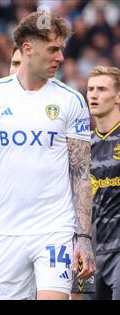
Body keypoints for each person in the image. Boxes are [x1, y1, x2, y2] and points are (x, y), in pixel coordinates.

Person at [0, 12, 96, 300]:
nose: (61, 58)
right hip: (8, 233)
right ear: (28, 49)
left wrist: (84, 237)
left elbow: (80, 174)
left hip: (55, 230)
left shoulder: (70, 100)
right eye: (53, 49)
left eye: (62, 49)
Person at [85, 66, 120, 300]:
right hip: (89, 255)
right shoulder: (82, 147)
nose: (94, 95)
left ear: (118, 96)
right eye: (90, 89)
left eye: (102, 89)